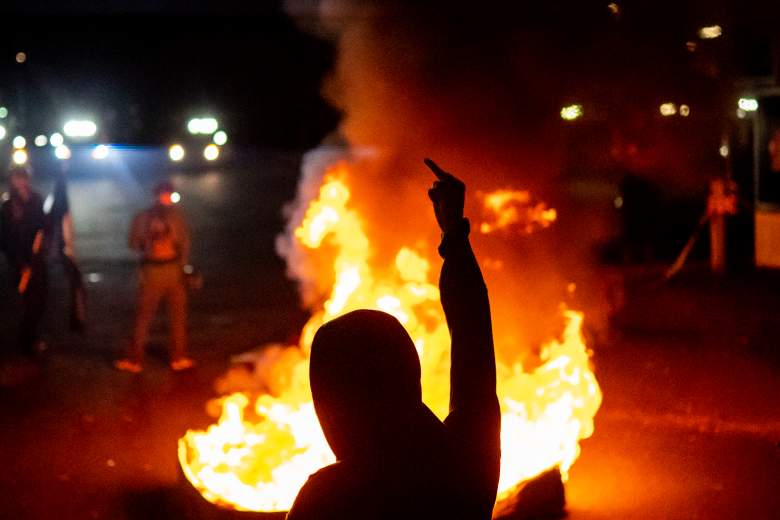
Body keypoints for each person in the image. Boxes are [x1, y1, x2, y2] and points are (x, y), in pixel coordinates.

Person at [286, 159, 501, 519]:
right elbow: (474, 345)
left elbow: (473, 340)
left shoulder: (327, 499)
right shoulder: (465, 466)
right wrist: (454, 234)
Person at [115, 181, 193, 372]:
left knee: (161, 317)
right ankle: (171, 358)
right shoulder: (172, 216)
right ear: (160, 195)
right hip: (164, 271)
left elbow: (133, 243)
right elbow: (184, 244)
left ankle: (141, 360)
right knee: (152, 317)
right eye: (166, 194)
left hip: (162, 272)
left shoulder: (147, 217)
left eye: (168, 194)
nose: (167, 197)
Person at [1, 167, 48, 357]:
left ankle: (31, 337)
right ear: (12, 180)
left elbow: (44, 223)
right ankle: (27, 341)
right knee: (28, 302)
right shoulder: (8, 205)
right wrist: (19, 261)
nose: (21, 182)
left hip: (37, 257)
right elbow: (5, 237)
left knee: (41, 300)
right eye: (17, 178)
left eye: (24, 178)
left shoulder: (37, 199)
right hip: (20, 260)